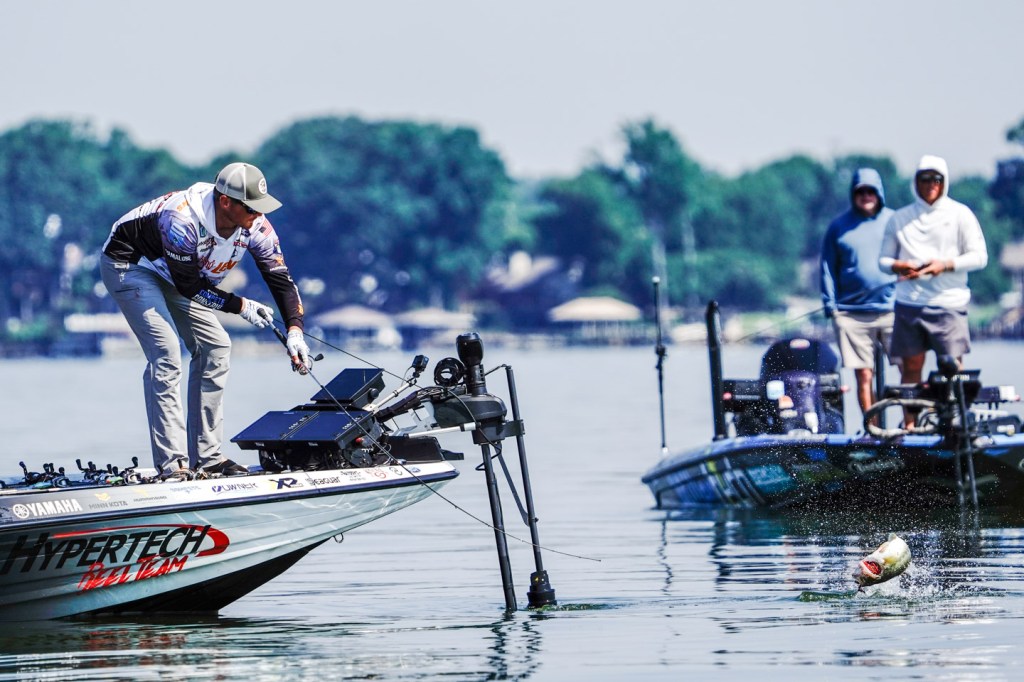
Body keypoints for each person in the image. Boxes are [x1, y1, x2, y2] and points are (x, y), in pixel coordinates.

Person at [100, 162, 311, 479]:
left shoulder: (257, 226)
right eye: (251, 208)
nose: (258, 215)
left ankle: (208, 458)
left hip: (178, 275)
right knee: (167, 353)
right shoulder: (181, 219)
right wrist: (240, 306)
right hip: (131, 264)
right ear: (225, 201)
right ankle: (173, 464)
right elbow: (189, 287)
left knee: (217, 347)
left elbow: (280, 279)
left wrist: (295, 331)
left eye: (261, 207)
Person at [878, 155, 988, 426]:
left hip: (949, 303)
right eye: (924, 179)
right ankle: (910, 426)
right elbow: (883, 261)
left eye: (936, 179)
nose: (930, 185)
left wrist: (945, 265)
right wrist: (900, 266)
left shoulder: (960, 214)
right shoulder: (900, 218)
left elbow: (979, 257)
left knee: (952, 366)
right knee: (911, 366)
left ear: (944, 182)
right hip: (910, 303)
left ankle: (955, 423)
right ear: (916, 182)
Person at [820, 168, 897, 421]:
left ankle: (910, 424)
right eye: (860, 191)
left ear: (879, 193)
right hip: (851, 314)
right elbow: (828, 267)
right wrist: (830, 305)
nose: (866, 196)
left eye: (870, 191)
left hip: (893, 309)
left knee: (908, 368)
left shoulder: (894, 220)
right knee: (864, 375)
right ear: (853, 194)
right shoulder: (838, 227)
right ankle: (873, 429)